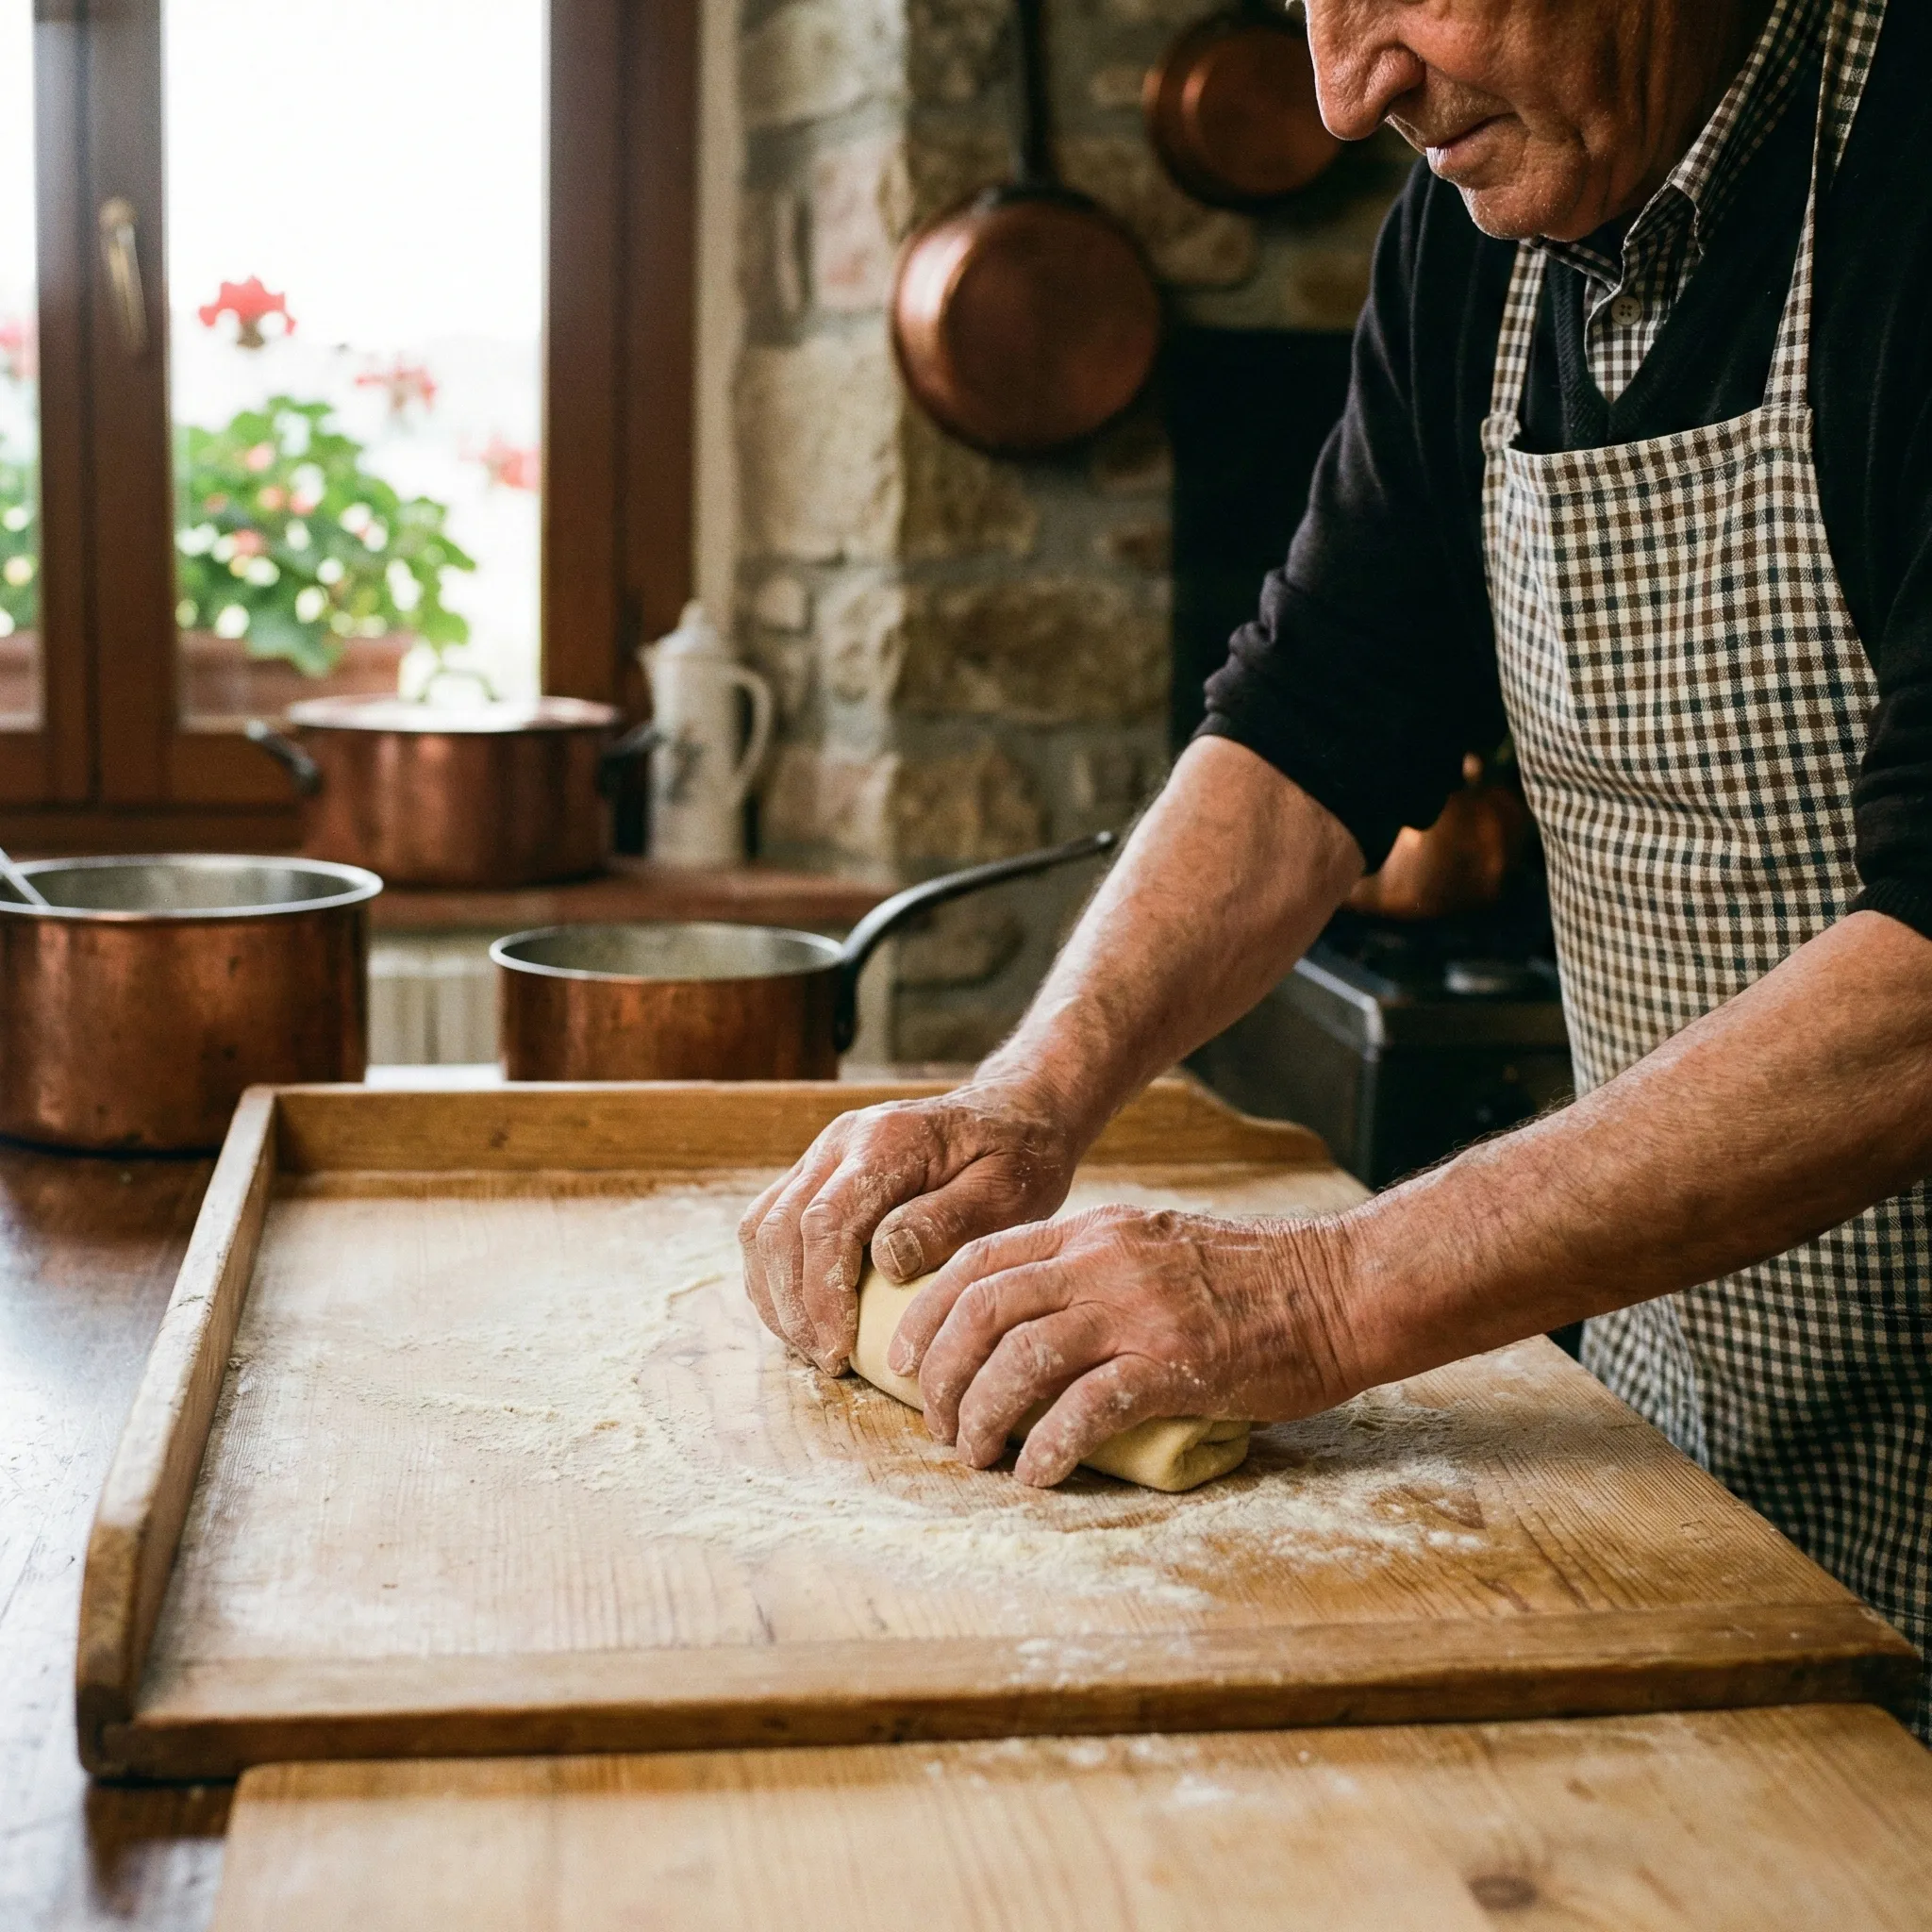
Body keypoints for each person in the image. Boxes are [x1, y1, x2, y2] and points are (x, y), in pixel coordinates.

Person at [740, 0, 1932, 1731]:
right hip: (1695, 1427)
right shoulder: (1475, 246)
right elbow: (1312, 722)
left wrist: (1323, 1295)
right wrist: (1028, 1098)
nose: (1344, 89)